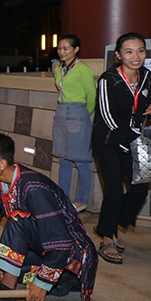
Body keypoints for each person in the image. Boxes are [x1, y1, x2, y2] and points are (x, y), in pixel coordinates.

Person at [0, 133, 97, 301]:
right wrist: (5, 263)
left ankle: (8, 293)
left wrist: (42, 282)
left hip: (71, 252)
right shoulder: (0, 181)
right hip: (42, 245)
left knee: (18, 219)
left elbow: (61, 241)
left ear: (2, 164)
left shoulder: (34, 188)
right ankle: (61, 280)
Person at [91, 32, 151, 265]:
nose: (136, 56)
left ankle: (108, 224)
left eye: (140, 50)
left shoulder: (146, 75)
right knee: (114, 190)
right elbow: (107, 117)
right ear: (119, 55)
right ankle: (107, 238)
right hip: (108, 141)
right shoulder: (108, 79)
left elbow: (144, 103)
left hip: (133, 139)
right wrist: (131, 138)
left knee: (141, 189)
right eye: (129, 51)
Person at [52, 34, 96, 213]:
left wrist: (84, 113)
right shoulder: (59, 68)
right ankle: (62, 197)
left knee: (80, 160)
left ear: (76, 49)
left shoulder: (83, 69)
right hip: (62, 113)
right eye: (59, 48)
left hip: (78, 113)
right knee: (64, 159)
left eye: (66, 48)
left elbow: (91, 95)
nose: (61, 52)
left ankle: (82, 200)